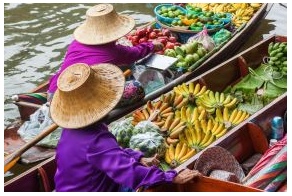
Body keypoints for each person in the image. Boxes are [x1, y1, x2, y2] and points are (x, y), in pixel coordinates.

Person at [50, 63, 201, 192]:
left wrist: (137, 157)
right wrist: (171, 177)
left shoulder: (70, 130)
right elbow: (128, 172)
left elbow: (108, 154)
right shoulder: (96, 139)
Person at [47, 3, 164, 102]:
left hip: (53, 92)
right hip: (74, 101)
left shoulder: (75, 43)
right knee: (135, 88)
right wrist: (152, 45)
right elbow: (136, 52)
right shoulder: (114, 52)